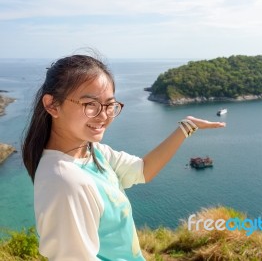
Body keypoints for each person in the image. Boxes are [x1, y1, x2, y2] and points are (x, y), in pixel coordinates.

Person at [22, 54, 226, 261]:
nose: (103, 116)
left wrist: (186, 126)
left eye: (109, 105)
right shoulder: (65, 181)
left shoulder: (92, 151)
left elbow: (143, 169)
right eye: (90, 104)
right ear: (52, 105)